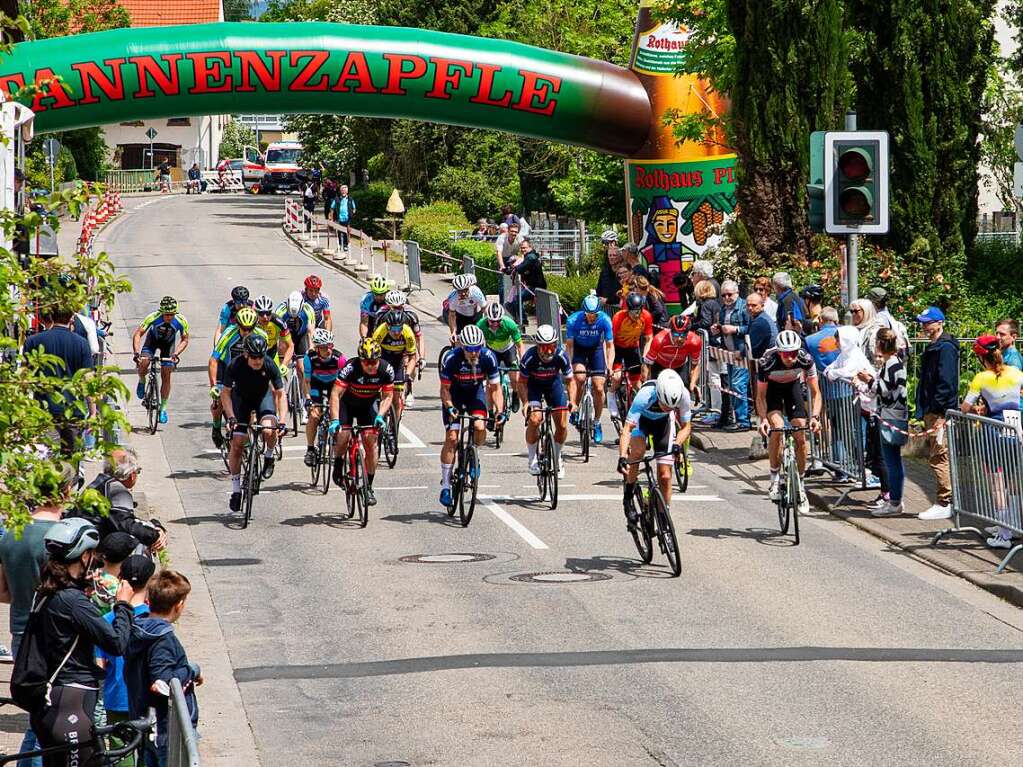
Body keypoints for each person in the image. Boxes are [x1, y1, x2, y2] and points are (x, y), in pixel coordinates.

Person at [30, 519, 135, 767]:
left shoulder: (47, 592)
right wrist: (123, 605)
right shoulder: (73, 602)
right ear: (85, 555)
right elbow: (117, 643)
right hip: (72, 703)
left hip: (52, 700)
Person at [0, 464, 73, 767]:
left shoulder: (10, 535)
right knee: (47, 716)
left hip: (20, 632)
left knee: (36, 711)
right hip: (55, 638)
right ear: (65, 491)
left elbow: (2, 593)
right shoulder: (63, 538)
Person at [125, 570, 201, 767]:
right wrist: (191, 670)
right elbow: (163, 681)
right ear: (179, 606)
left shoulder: (138, 630)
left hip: (145, 720)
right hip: (164, 729)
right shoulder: (163, 640)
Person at [960, 334, 1023, 548]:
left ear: (981, 357)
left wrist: (979, 406)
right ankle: (1013, 524)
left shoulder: (982, 377)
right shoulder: (1015, 372)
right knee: (1013, 480)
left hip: (992, 433)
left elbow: (965, 408)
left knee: (997, 483)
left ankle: (1003, 534)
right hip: (1014, 430)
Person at [617, 369, 693, 529]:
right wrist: (622, 456)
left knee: (665, 476)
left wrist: (678, 445)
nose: (667, 407)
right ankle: (628, 497)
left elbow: (686, 427)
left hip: (664, 425)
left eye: (671, 406)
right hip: (642, 422)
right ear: (658, 394)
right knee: (638, 452)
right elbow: (627, 430)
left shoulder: (683, 395)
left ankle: (664, 515)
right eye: (664, 404)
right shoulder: (644, 396)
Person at [437, 325, 503, 506]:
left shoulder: (488, 357)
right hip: (454, 396)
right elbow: (444, 390)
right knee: (451, 438)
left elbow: (495, 388)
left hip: (475, 394)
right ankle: (445, 485)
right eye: (469, 349)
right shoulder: (451, 359)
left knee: (480, 426)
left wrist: (500, 411)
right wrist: (449, 406)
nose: (474, 353)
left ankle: (474, 455)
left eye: (477, 349)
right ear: (462, 346)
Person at [756, 330, 822, 509]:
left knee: (800, 434)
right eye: (787, 354)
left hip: (793, 387)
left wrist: (815, 417)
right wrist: (763, 419)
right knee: (776, 427)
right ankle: (775, 477)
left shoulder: (805, 359)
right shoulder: (766, 362)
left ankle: (800, 484)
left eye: (794, 353)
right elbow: (760, 396)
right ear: (779, 352)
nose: (791, 358)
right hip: (773, 391)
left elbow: (816, 393)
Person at [221, 334, 287, 511]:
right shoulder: (235, 365)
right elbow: (225, 394)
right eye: (254, 357)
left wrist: (282, 421)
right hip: (241, 401)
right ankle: (236, 490)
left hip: (262, 399)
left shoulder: (269, 364)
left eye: (261, 356)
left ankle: (269, 456)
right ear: (246, 354)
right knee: (237, 444)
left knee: (267, 430)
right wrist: (231, 417)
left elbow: (280, 394)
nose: (258, 361)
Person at [96, 556, 154, 749]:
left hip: (116, 696)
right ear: (149, 581)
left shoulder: (106, 619)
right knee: (147, 748)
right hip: (147, 697)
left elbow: (99, 665)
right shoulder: (153, 620)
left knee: (120, 749)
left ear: (121, 578)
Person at [328, 338, 394, 507]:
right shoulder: (350, 368)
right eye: (366, 362)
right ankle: (338, 463)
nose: (371, 366)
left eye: (374, 362)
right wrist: (335, 419)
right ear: (360, 360)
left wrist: (380, 415)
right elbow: (335, 394)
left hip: (368, 405)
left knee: (371, 443)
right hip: (347, 404)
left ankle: (368, 487)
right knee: (343, 435)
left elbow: (388, 396)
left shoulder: (386, 370)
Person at [22, 307, 94, 456]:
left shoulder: (33, 341)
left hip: (44, 409)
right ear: (72, 318)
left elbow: (25, 378)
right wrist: (93, 412)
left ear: (51, 317)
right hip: (73, 410)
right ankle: (70, 479)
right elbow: (88, 380)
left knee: (47, 457)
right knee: (70, 458)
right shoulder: (82, 343)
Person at [826, 325, 885, 498]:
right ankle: (862, 468)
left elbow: (847, 371)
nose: (835, 342)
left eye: (838, 339)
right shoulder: (843, 355)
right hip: (862, 402)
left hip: (869, 404)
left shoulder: (855, 355)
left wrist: (833, 373)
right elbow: (831, 369)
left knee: (861, 435)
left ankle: (866, 469)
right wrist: (832, 372)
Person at [857, 328, 909, 517]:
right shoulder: (893, 363)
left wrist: (868, 380)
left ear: (879, 344)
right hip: (892, 414)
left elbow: (885, 390)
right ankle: (894, 500)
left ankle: (894, 502)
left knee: (891, 460)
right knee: (892, 460)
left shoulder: (892, 364)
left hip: (891, 416)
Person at [914, 306, 959, 521]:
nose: (924, 326)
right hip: (932, 409)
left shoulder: (946, 348)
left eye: (928, 322)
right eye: (923, 322)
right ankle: (944, 500)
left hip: (939, 411)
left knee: (939, 456)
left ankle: (945, 501)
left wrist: (938, 410)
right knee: (936, 454)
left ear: (939, 323)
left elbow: (946, 382)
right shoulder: (934, 346)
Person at [81, 449, 167, 551]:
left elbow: (125, 518)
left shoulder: (101, 482)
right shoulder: (118, 491)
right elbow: (126, 525)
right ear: (132, 475)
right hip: (95, 547)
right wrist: (155, 535)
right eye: (137, 471)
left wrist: (155, 525)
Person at [518, 325, 574, 478]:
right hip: (534, 387)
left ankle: (557, 458)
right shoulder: (529, 357)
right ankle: (532, 458)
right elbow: (521, 383)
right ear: (537, 346)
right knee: (535, 420)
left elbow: (570, 380)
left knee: (562, 425)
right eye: (544, 347)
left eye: (552, 346)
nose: (549, 351)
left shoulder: (561, 355)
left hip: (553, 386)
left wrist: (573, 400)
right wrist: (525, 403)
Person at [209, 306, 268, 449]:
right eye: (243, 329)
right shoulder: (229, 334)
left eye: (250, 329)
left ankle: (247, 439)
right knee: (220, 400)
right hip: (228, 369)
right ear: (238, 325)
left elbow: (267, 361)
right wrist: (214, 386)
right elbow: (214, 360)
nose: (247, 332)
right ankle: (216, 426)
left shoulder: (261, 335)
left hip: (249, 372)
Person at [565, 294, 615, 444]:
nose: (592, 318)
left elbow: (609, 345)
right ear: (584, 312)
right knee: (579, 378)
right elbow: (569, 346)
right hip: (579, 350)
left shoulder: (605, 320)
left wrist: (610, 366)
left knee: (599, 387)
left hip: (596, 349)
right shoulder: (573, 320)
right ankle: (574, 405)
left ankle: (597, 422)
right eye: (589, 315)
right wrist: (568, 366)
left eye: (595, 315)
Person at [132, 296, 190, 424]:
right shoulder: (153, 317)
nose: (169, 317)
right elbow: (138, 334)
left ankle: (163, 408)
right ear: (161, 312)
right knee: (144, 362)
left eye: (172, 314)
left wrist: (176, 353)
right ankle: (142, 380)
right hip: (152, 342)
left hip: (168, 346)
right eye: (166, 315)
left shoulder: (181, 320)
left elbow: (185, 339)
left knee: (166, 374)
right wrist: (137, 353)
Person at [302, 329, 347, 468]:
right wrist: (308, 399)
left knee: (339, 413)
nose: (327, 350)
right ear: (316, 348)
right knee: (314, 416)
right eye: (323, 347)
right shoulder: (309, 358)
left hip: (335, 385)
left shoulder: (340, 359)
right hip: (316, 386)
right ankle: (310, 449)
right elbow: (306, 382)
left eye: (329, 346)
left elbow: (344, 384)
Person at [609, 291, 654, 423]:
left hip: (632, 348)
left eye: (639, 311)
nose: (637, 314)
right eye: (633, 311)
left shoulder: (646, 316)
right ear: (627, 309)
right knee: (617, 377)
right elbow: (609, 342)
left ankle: (640, 410)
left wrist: (646, 359)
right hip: (617, 347)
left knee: (637, 383)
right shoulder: (618, 317)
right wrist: (609, 364)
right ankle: (611, 394)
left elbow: (649, 338)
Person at [712, 280, 751, 431]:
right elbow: (724, 329)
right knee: (733, 387)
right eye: (724, 295)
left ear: (737, 293)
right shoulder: (723, 310)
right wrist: (718, 329)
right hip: (729, 355)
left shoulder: (744, 308)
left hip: (741, 353)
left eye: (730, 294)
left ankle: (743, 421)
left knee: (737, 385)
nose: (727, 297)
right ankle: (739, 419)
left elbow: (751, 327)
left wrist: (735, 329)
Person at [477, 302, 526, 410]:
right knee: (490, 385)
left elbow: (520, 345)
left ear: (502, 319)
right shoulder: (480, 325)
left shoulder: (510, 324)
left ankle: (515, 394)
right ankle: (490, 413)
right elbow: (477, 345)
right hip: (492, 350)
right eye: (492, 321)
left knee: (515, 377)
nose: (495, 324)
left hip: (508, 349)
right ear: (487, 318)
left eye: (498, 321)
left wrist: (523, 360)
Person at [372, 309, 418, 422]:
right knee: (381, 391)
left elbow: (412, 358)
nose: (397, 332)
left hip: (398, 360)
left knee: (396, 398)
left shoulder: (408, 332)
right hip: (382, 358)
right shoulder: (380, 331)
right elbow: (372, 355)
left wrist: (407, 376)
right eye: (393, 329)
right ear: (387, 326)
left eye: (399, 328)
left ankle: (394, 427)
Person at [276, 291, 316, 413]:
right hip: (285, 336)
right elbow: (277, 336)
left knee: (302, 368)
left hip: (301, 336)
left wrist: (311, 351)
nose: (293, 318)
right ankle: (281, 387)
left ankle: (304, 401)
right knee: (280, 364)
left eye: (296, 315)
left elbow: (311, 334)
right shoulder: (280, 311)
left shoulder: (308, 310)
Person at [642, 314, 702, 395]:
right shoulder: (659, 340)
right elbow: (647, 364)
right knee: (655, 396)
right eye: (676, 335)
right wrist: (646, 385)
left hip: (680, 367)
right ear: (671, 331)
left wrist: (693, 384)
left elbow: (695, 365)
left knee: (684, 394)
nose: (679, 339)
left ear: (688, 332)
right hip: (660, 366)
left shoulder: (695, 341)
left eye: (683, 335)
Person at [692, 280, 723, 425]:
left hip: (710, 345)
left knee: (713, 377)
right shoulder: (716, 303)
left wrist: (692, 325)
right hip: (717, 343)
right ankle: (714, 406)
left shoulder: (705, 305)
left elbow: (705, 322)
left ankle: (716, 410)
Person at [506, 238, 548, 320]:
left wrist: (512, 270)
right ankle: (520, 319)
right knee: (512, 302)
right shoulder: (528, 257)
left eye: (524, 248)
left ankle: (523, 320)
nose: (522, 250)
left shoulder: (531, 257)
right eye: (521, 248)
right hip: (532, 287)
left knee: (517, 299)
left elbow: (521, 268)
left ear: (530, 248)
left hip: (536, 287)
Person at [253, 294, 293, 373]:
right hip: (254, 355)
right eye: (261, 313)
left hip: (271, 353)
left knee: (274, 382)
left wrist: (284, 365)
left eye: (268, 313)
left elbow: (290, 346)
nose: (265, 317)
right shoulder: (251, 323)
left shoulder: (278, 322)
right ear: (256, 312)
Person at [445, 273, 487, 338]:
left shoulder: (476, 292)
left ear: (469, 287)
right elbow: (452, 315)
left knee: (478, 336)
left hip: (474, 315)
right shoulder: (453, 297)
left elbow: (484, 309)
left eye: (465, 290)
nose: (463, 293)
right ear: (456, 290)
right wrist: (453, 332)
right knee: (458, 338)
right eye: (460, 291)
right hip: (458, 315)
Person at [805, 307, 841, 373]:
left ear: (820, 320)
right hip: (848, 380)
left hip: (823, 380)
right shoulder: (848, 333)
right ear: (837, 319)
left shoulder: (809, 340)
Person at [746, 291, 778, 360]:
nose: (750, 308)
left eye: (754, 305)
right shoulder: (758, 317)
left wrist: (740, 353)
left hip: (768, 361)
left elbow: (750, 348)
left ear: (762, 306)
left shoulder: (760, 322)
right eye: (748, 305)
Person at [596, 230, 624, 306]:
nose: (604, 246)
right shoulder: (605, 266)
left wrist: (609, 300)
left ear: (614, 242)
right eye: (610, 256)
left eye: (606, 243)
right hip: (606, 304)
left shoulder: (623, 265)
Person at [850, 298, 883, 363]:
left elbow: (879, 361)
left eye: (856, 311)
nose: (853, 314)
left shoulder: (875, 332)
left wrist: (869, 373)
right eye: (852, 311)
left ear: (866, 312)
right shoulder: (855, 330)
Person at [332, 184, 356, 251]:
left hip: (347, 219)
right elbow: (332, 208)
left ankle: (345, 245)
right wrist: (331, 218)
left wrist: (352, 213)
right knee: (339, 233)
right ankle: (339, 245)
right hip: (339, 218)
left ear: (347, 192)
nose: (343, 192)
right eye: (342, 191)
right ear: (340, 191)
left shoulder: (350, 199)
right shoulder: (337, 199)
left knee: (346, 232)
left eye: (345, 191)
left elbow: (354, 208)